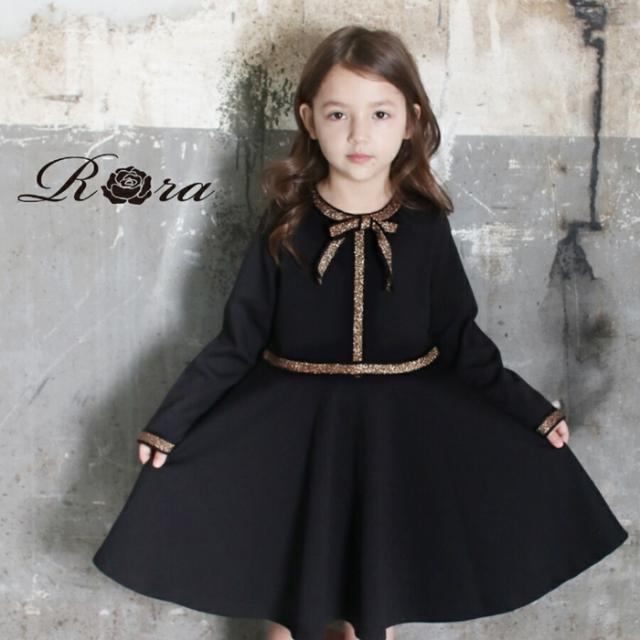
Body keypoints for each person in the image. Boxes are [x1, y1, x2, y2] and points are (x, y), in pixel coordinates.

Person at [92, 25, 628, 640]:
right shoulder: (286, 223)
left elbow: (460, 337)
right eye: (338, 114)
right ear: (309, 120)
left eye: (379, 113)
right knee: (292, 617)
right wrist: (173, 421)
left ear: (411, 121)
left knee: (370, 613)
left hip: (394, 439)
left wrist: (532, 411)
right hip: (295, 439)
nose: (358, 134)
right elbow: (238, 340)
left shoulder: (425, 224)